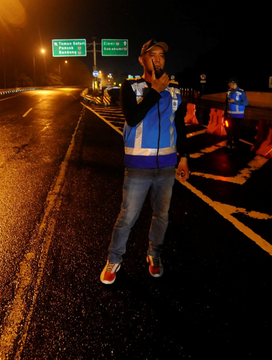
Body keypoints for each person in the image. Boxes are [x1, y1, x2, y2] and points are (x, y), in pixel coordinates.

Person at [100, 39, 190, 285]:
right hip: (139, 166)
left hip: (167, 167)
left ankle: (154, 255)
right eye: (152, 55)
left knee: (162, 215)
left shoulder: (175, 89)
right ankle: (114, 259)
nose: (158, 59)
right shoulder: (130, 86)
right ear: (142, 60)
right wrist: (156, 91)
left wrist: (184, 157)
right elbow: (132, 118)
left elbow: (179, 126)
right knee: (128, 215)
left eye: (161, 55)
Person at [225, 77, 248, 151]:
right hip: (229, 115)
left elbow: (245, 103)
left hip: (238, 116)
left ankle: (236, 144)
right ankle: (229, 144)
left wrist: (235, 101)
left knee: (236, 130)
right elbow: (226, 103)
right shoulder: (228, 92)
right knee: (229, 129)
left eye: (230, 83)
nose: (229, 84)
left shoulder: (241, 92)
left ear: (234, 84)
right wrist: (225, 112)